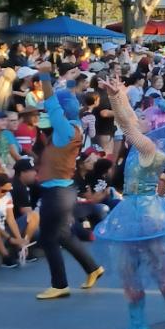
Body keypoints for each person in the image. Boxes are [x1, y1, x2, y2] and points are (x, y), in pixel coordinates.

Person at [93, 76, 165, 329]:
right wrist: (118, 95)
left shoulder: (149, 148)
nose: (139, 117)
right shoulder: (143, 146)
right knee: (127, 270)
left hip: (148, 213)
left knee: (161, 272)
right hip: (132, 209)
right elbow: (128, 120)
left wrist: (116, 98)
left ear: (155, 127)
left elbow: (127, 127)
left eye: (145, 117)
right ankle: (137, 325)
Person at [34, 64, 104, 300]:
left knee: (47, 238)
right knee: (63, 234)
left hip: (55, 191)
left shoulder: (64, 128)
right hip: (64, 190)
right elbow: (67, 99)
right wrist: (71, 82)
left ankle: (59, 284)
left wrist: (45, 74)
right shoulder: (75, 125)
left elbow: (51, 102)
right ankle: (93, 268)